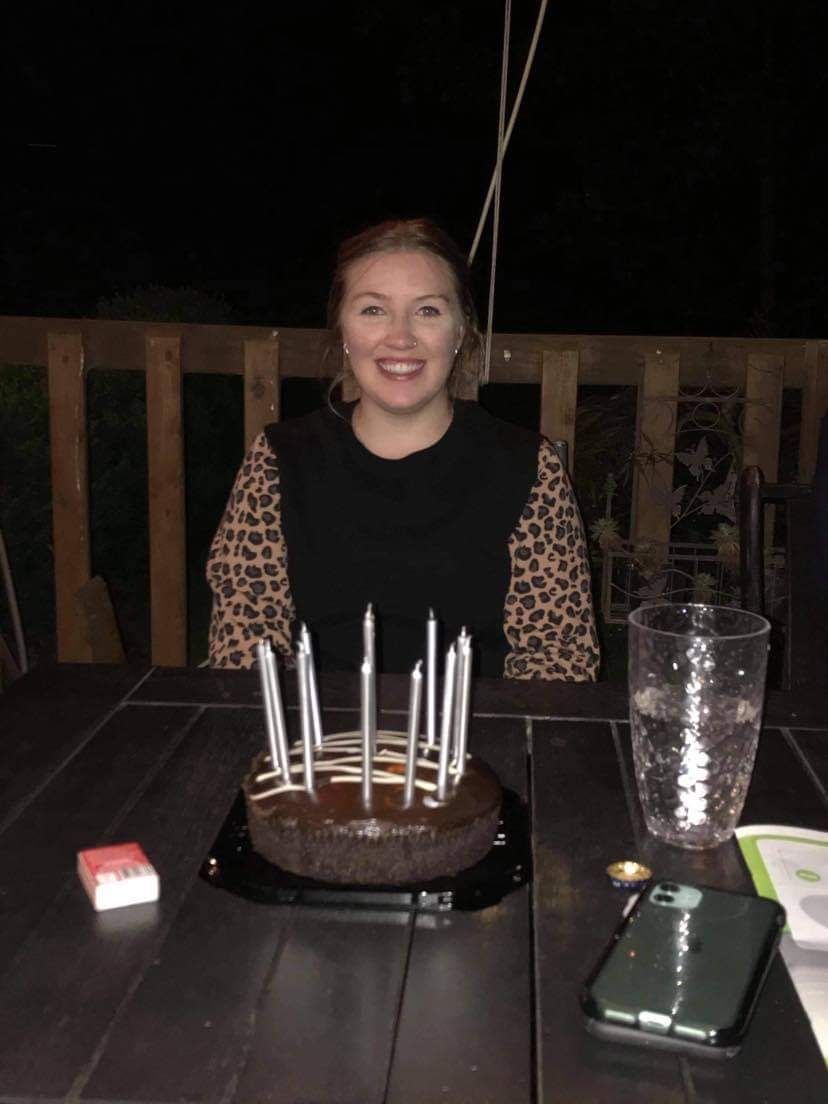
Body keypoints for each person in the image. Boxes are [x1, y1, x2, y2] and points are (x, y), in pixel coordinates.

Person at [207, 218, 600, 680]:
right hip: (313, 721)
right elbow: (245, 645)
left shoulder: (527, 466)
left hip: (479, 722)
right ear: (343, 330)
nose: (400, 337)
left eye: (427, 310)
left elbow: (560, 658)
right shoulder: (278, 459)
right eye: (373, 309)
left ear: (461, 331)